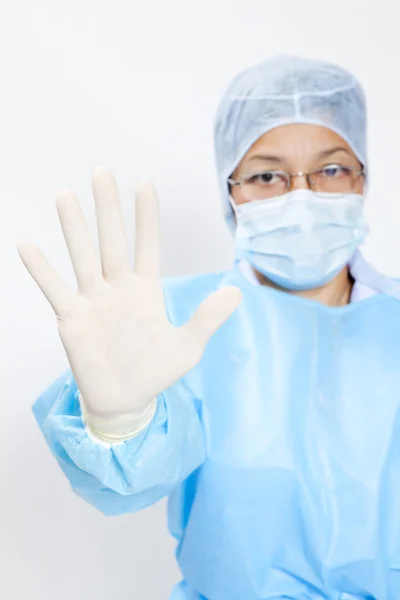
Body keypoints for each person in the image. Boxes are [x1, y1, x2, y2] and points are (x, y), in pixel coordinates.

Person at [17, 55, 400, 599]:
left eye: (332, 168)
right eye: (266, 174)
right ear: (231, 191)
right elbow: (127, 479)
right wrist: (120, 423)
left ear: (363, 177)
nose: (301, 194)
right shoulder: (175, 321)